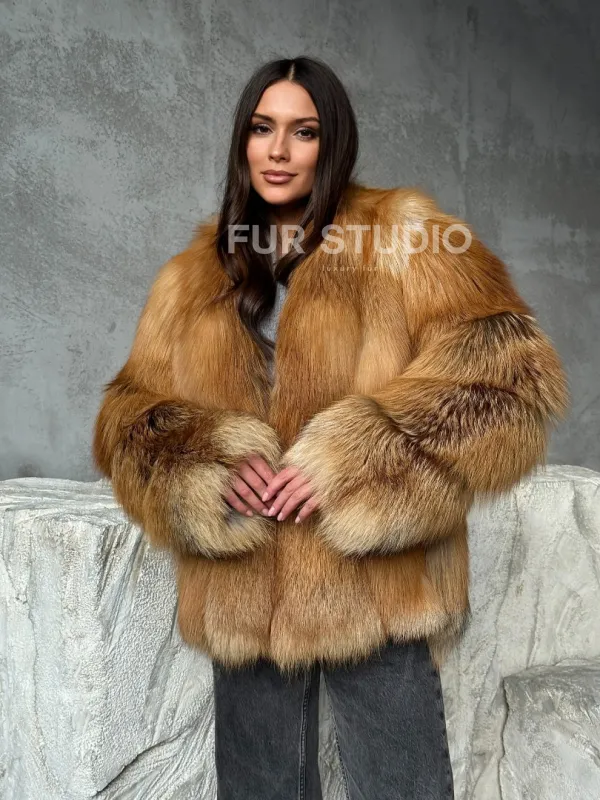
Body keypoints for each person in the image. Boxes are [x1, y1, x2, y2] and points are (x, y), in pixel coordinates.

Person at [92, 56, 569, 800]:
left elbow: (511, 376)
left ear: (333, 142)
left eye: (304, 132)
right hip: (242, 589)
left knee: (401, 787)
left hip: (376, 580)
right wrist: (207, 464)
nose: (279, 151)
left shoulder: (404, 237)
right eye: (262, 129)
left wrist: (356, 460)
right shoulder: (194, 275)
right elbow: (129, 417)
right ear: (242, 140)